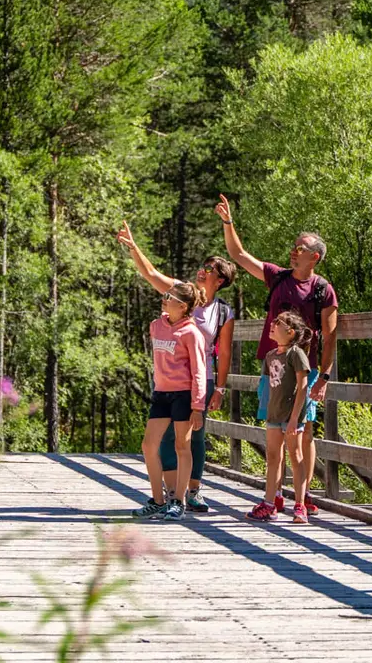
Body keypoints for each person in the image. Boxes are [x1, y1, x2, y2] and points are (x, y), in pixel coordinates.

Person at [214, 194, 338, 516]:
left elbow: (331, 336)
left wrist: (323, 376)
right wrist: (228, 223)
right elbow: (238, 255)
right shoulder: (278, 276)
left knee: (302, 433)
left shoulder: (323, 290)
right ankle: (275, 497)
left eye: (300, 249)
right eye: (293, 247)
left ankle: (302, 497)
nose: (293, 252)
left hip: (303, 370)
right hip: (273, 368)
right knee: (274, 433)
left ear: (314, 257)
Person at [116, 221, 236, 512]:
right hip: (170, 380)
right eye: (203, 265)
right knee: (167, 437)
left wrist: (219, 388)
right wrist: (134, 248)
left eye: (210, 269)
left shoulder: (222, 311)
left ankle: (193, 491)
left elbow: (225, 352)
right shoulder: (182, 293)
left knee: (195, 435)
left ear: (219, 280)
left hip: (200, 377)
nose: (202, 270)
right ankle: (170, 494)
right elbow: (151, 273)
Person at [132, 280, 207, 522]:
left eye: (170, 297)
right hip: (161, 393)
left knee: (181, 447)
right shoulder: (157, 326)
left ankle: (179, 501)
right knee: (148, 445)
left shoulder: (191, 333)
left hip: (183, 395)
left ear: (183, 306)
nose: (164, 299)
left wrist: (198, 406)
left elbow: (199, 371)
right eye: (166, 295)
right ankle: (157, 500)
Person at [247, 311, 311, 524]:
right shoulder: (270, 355)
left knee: (295, 455)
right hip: (274, 414)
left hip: (292, 415)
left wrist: (295, 418)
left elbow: (303, 387)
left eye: (278, 323)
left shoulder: (296, 354)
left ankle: (300, 504)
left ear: (290, 332)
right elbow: (267, 387)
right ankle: (269, 503)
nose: (272, 325)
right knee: (273, 457)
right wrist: (264, 411)